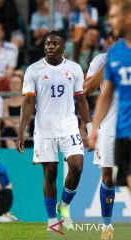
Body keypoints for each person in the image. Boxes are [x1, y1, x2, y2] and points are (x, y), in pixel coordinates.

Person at [17, 31, 92, 230]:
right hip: (45, 130)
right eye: (47, 44)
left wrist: (90, 127)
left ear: (63, 48)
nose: (50, 47)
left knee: (77, 165)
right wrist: (21, 131)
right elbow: (28, 102)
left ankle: (64, 206)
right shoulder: (33, 70)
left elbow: (81, 100)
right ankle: (52, 220)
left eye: (54, 44)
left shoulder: (74, 69)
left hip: (68, 127)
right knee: (50, 174)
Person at [89, 0, 131, 198]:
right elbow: (101, 94)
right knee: (123, 179)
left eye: (114, 17)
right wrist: (94, 128)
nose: (110, 21)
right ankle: (107, 226)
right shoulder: (112, 56)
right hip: (118, 127)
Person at [83, 44, 117, 239]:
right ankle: (107, 227)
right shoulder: (101, 60)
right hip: (110, 126)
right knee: (107, 175)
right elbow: (86, 90)